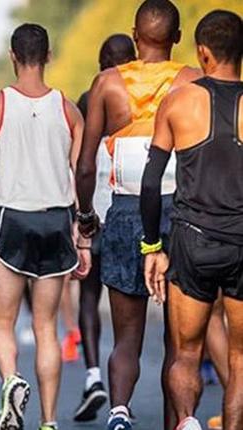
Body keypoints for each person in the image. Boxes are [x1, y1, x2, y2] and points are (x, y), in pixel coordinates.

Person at [74, 1, 202, 428]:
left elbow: (87, 164)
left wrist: (87, 216)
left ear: (133, 35)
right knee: (179, 340)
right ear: (178, 38)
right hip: (182, 213)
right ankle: (176, 421)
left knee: (127, 336)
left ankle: (119, 410)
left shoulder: (107, 84)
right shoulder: (193, 81)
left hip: (127, 210)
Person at [0, 23, 88, 430]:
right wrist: (82, 233)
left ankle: (11, 381)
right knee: (46, 327)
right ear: (48, 56)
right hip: (56, 219)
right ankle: (49, 421)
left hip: (12, 219)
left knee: (1, 323)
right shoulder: (69, 110)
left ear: (12, 56)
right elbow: (80, 175)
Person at [140, 9, 242, 430]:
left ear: (202, 53)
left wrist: (152, 247)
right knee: (240, 356)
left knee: (185, 353)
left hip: (192, 241)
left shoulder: (178, 102)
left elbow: (150, 184)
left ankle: (186, 422)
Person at [72, 33, 136, 423]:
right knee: (132, 310)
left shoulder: (89, 99)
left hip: (94, 216)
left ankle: (94, 375)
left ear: (99, 62)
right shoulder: (148, 100)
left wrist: (78, 216)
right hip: (133, 215)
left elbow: (79, 164)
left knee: (88, 297)